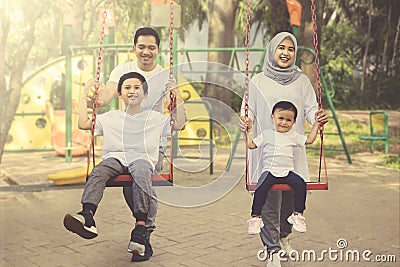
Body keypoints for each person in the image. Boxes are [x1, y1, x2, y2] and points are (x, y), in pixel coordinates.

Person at [63, 72, 185, 259]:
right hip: (116, 158)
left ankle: (140, 227)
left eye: (137, 88)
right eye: (127, 88)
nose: (132, 91)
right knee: (99, 171)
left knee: (142, 171)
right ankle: (87, 214)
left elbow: (180, 124)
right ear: (119, 94)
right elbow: (83, 123)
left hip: (141, 158)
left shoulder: (153, 117)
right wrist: (84, 93)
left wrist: (178, 95)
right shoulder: (111, 117)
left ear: (145, 94)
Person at [240, 32, 328, 267]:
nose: (285, 52)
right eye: (281, 47)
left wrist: (317, 117)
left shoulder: (301, 81)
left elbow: (310, 109)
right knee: (269, 201)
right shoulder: (257, 81)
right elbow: (247, 111)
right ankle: (272, 250)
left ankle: (283, 236)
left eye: (290, 48)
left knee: (290, 201)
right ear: (271, 51)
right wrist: (246, 123)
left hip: (291, 151)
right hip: (266, 150)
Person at [90, 27, 174, 262]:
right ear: (134, 48)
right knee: (131, 189)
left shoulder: (164, 75)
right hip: (124, 143)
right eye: (141, 47)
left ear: (157, 50)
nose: (146, 52)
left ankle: (144, 234)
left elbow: (176, 111)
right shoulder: (123, 70)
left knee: (142, 181)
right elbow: (106, 97)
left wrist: (174, 95)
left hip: (150, 143)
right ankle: (142, 230)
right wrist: (92, 95)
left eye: (151, 47)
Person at [244, 100, 320, 235]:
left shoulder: (293, 136)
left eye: (289, 120)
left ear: (294, 122)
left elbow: (309, 140)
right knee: (260, 188)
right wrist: (247, 131)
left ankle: (297, 214)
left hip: (287, 173)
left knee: (301, 185)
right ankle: (256, 217)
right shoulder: (267, 134)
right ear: (272, 118)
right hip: (270, 172)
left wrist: (317, 125)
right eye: (281, 118)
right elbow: (251, 145)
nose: (284, 122)